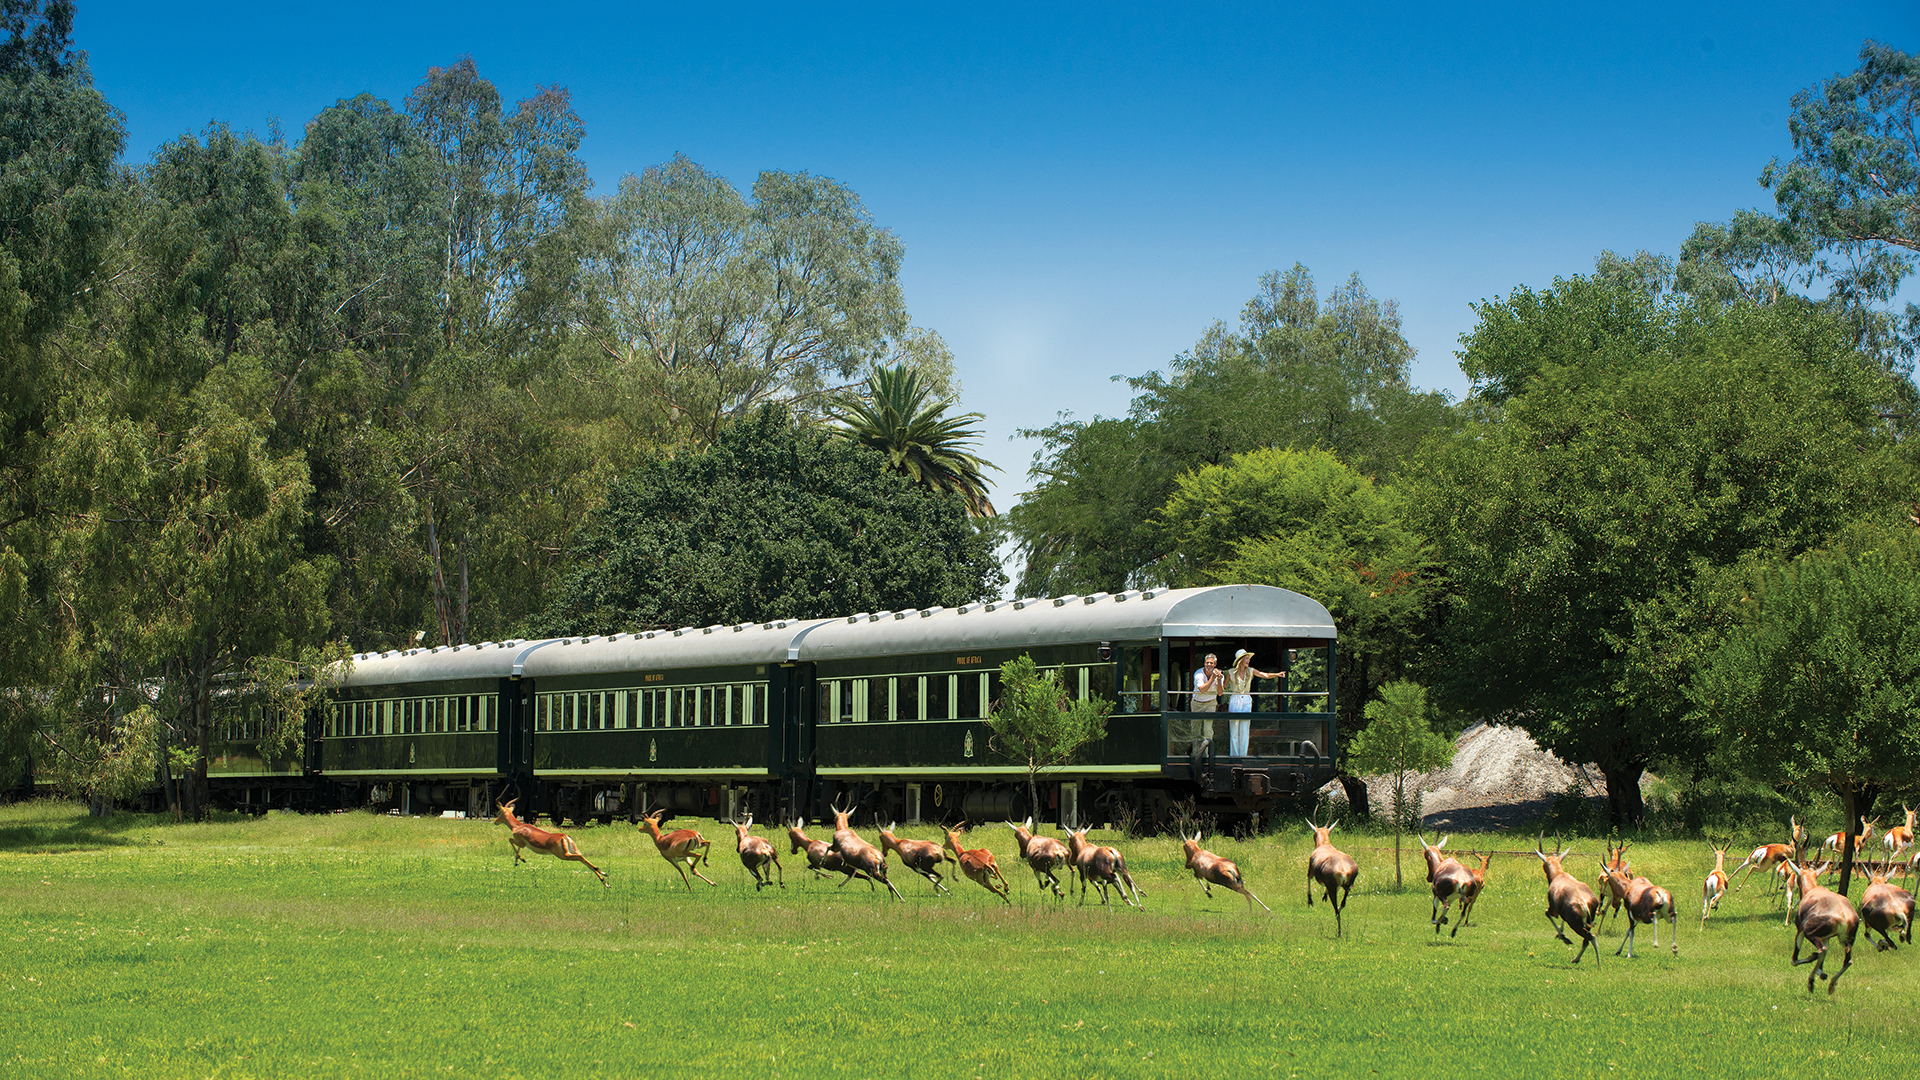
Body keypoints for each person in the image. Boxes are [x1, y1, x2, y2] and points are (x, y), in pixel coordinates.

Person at [1224, 649, 1285, 757]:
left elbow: (1264, 675)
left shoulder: (1251, 670)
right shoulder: (1230, 672)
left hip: (1246, 699)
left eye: (1248, 658)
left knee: (1244, 728)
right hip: (1235, 699)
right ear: (1241, 660)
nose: (1248, 660)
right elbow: (1223, 687)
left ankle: (1242, 755)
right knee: (1234, 728)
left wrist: (1277, 674)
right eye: (1246, 658)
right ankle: (1234, 756)